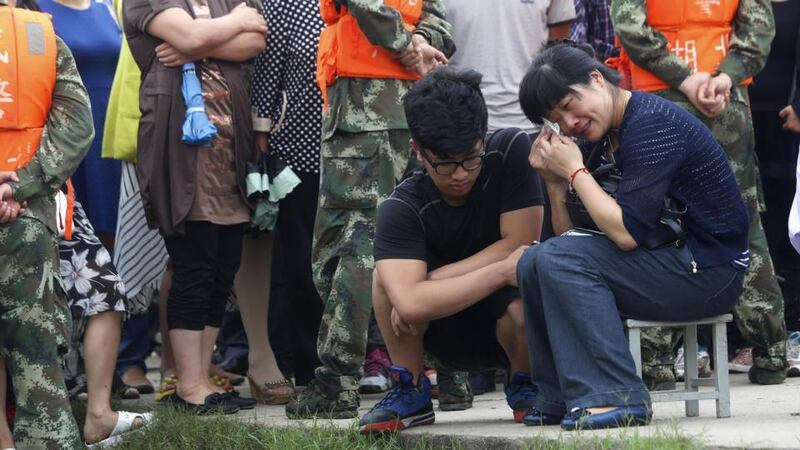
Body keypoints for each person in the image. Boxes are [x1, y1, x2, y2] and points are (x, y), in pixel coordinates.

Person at [514, 42, 750, 430]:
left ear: (596, 79)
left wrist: (574, 171)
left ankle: (617, 397)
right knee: (534, 261)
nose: (570, 122)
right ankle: (559, 397)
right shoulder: (601, 137)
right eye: (557, 119)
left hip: (711, 270)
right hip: (664, 260)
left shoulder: (652, 123)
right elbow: (570, 238)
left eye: (570, 105)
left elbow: (624, 234)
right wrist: (554, 184)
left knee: (555, 258)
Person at [285, 0, 454, 419]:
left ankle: (337, 381)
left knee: (353, 242)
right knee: (426, 236)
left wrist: (407, 45)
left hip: (363, 112)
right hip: (416, 107)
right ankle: (451, 373)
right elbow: (439, 19)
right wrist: (420, 43)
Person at [612, 0, 788, 387]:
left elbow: (629, 25)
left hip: (661, 102)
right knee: (743, 222)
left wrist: (685, 79)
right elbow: (758, 30)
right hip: (726, 102)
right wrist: (725, 77)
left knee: (661, 226)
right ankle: (771, 351)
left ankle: (656, 359)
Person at [357, 68, 543, 433]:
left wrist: (431, 280)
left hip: (509, 327)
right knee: (384, 279)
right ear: (417, 150)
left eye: (470, 158)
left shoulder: (510, 151)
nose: (460, 174)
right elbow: (410, 305)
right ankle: (410, 388)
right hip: (436, 332)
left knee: (522, 294)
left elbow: (520, 243)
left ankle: (526, 384)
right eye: (443, 163)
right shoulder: (401, 207)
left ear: (483, 137)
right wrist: (500, 270)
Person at [123, 0, 267, 414]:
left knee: (223, 267)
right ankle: (188, 384)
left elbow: (255, 40)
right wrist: (232, 23)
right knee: (194, 266)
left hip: (229, 158)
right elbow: (189, 34)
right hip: (182, 157)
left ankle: (202, 378)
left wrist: (198, 44)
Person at [441, 0, 574, 403]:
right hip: (463, 131)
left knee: (535, 250)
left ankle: (533, 366)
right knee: (471, 244)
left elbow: (560, 32)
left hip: (531, 126)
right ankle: (475, 365)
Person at [0, 0, 92, 445]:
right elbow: (77, 127)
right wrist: (20, 185)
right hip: (26, 215)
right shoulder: (39, 38)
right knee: (35, 348)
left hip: (21, 210)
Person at [249, 0, 325, 399]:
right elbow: (268, 70)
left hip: (367, 149)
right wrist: (260, 132)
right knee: (302, 259)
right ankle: (311, 367)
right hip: (300, 148)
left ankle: (365, 359)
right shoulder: (284, 4)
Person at [37, 0, 123, 245]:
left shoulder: (107, 9)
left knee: (113, 221)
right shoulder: (34, 8)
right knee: (74, 230)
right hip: (67, 132)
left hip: (110, 130)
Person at [750, 0, 800, 334]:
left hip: (789, 124)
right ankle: (756, 329)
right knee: (756, 223)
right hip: (742, 121)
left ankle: (793, 323)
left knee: (790, 222)